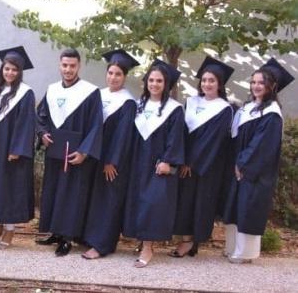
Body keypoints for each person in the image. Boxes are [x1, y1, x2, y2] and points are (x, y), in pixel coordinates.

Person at [223, 58, 293, 264]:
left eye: (261, 82)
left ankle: (245, 253)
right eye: (253, 82)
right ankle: (232, 248)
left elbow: (261, 145)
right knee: (235, 205)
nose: (256, 86)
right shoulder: (249, 108)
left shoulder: (272, 114)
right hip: (238, 166)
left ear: (272, 86)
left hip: (253, 171)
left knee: (248, 207)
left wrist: (242, 164)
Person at [36, 48, 103, 256]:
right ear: (60, 65)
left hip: (76, 156)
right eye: (64, 65)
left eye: (72, 66)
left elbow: (96, 125)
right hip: (55, 152)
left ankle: (67, 238)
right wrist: (42, 134)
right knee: (53, 191)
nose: (68, 69)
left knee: (71, 195)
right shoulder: (52, 90)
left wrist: (84, 152)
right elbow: (41, 117)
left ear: (79, 66)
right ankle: (55, 232)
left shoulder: (90, 93)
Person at [123, 59, 185, 268]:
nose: (154, 84)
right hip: (138, 162)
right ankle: (142, 241)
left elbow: (175, 138)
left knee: (152, 204)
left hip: (158, 163)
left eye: (159, 81)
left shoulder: (174, 109)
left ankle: (148, 247)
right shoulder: (139, 105)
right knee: (138, 202)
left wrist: (168, 160)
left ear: (166, 84)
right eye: (151, 80)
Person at [170, 57, 234, 258]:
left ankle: (191, 241)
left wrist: (192, 162)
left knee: (199, 202)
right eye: (204, 80)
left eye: (212, 80)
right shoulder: (191, 102)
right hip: (185, 162)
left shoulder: (224, 109)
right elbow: (181, 132)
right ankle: (186, 239)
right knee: (184, 201)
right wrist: (181, 159)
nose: (207, 84)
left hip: (206, 166)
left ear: (219, 84)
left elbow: (213, 140)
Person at [81, 49, 140, 259]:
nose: (113, 77)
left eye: (118, 74)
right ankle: (88, 238)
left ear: (125, 77)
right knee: (93, 198)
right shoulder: (99, 95)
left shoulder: (128, 103)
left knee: (108, 200)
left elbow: (123, 136)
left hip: (112, 161)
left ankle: (102, 244)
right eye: (111, 73)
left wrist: (111, 161)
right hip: (93, 156)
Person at [0, 46, 36, 249]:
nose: (10, 72)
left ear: (20, 72)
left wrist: (17, 149)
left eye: (14, 69)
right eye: (7, 68)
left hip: (11, 150)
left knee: (10, 189)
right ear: (1, 69)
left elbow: (26, 123)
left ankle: (10, 230)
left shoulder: (25, 93)